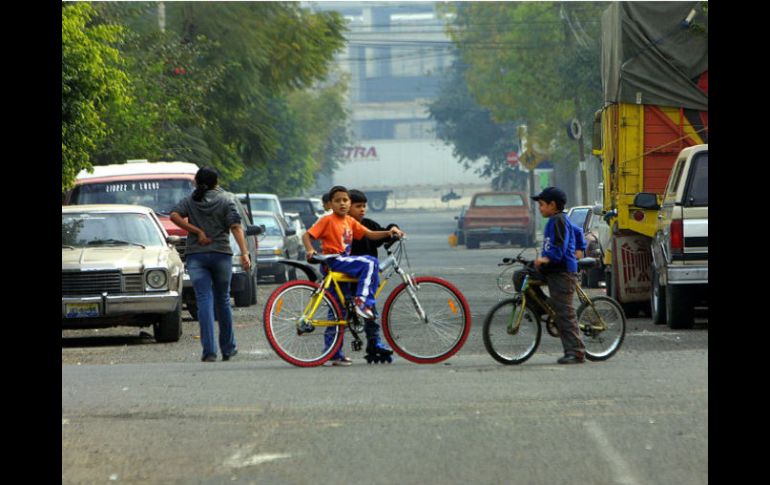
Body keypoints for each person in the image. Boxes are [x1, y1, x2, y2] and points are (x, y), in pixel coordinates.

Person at [303, 186, 403, 365]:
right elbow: (307, 235)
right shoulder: (328, 220)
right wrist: (310, 250)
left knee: (338, 313)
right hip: (337, 263)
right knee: (370, 262)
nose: (343, 203)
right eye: (338, 200)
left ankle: (334, 353)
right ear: (331, 204)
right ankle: (362, 301)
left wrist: (390, 232)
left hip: (346, 271)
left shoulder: (351, 222)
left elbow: (371, 234)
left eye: (345, 200)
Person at [170, 167, 251, 362]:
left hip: (196, 256)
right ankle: (228, 348)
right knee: (222, 300)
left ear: (196, 182)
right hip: (221, 254)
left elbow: (174, 216)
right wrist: (245, 253)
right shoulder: (226, 199)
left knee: (204, 300)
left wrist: (196, 231)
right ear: (216, 181)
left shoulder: (191, 200)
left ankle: (209, 351)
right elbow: (236, 227)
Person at [348, 189, 404, 363]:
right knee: (347, 311)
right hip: (350, 276)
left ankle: (374, 343)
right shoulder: (345, 227)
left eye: (364, 206)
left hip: (367, 278)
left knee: (370, 310)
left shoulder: (369, 224)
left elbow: (381, 233)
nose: (362, 209)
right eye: (358, 206)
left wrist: (393, 229)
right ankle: (333, 350)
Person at [532, 187, 585, 365]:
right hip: (550, 268)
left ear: (552, 205)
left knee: (565, 313)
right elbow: (577, 231)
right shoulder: (555, 220)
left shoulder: (559, 221)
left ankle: (576, 351)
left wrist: (579, 250)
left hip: (562, 271)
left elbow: (559, 248)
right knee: (520, 276)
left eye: (541, 205)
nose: (539, 208)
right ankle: (542, 308)